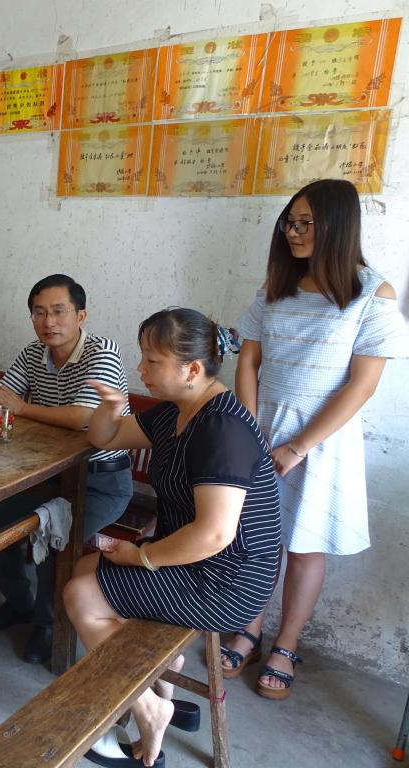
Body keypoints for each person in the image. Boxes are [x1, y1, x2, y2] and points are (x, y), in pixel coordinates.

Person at [63, 307, 281, 767]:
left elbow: (216, 533)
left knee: (81, 593)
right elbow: (104, 439)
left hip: (228, 580)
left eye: (152, 360)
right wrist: (110, 407)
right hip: (197, 560)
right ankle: (161, 674)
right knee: (85, 569)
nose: (140, 369)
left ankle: (149, 705)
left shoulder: (222, 427)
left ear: (192, 369)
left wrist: (142, 557)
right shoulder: (177, 411)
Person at [222, 179, 408, 699]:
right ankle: (249, 629)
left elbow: (362, 385)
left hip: (323, 440)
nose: (294, 232)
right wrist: (249, 429)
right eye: (290, 222)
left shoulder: (373, 294)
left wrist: (297, 446)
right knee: (257, 538)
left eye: (306, 223)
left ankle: (286, 644)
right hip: (263, 429)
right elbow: (249, 361)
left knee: (304, 546)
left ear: (339, 226)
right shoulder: (275, 287)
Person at [0, 274, 133, 665]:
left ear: (81, 315)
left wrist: (20, 407)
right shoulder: (34, 353)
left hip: (102, 481)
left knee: (56, 538)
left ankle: (48, 626)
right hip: (47, 477)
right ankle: (20, 604)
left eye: (59, 311)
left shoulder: (102, 352)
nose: (49, 322)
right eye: (39, 313)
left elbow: (83, 417)